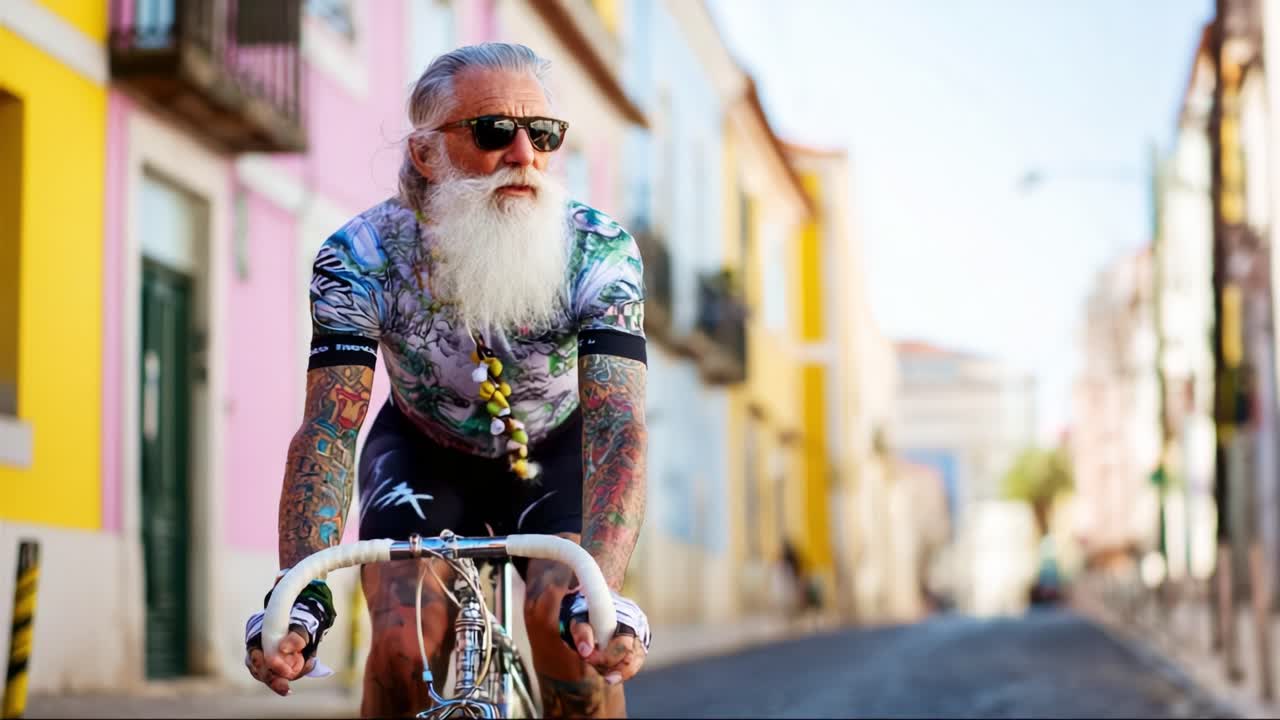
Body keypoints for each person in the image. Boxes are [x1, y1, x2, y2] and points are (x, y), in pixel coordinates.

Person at [242, 43, 651, 718]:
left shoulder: (599, 251)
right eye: (494, 131)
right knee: (404, 646)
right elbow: (329, 430)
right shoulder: (360, 257)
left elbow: (617, 426)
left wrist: (600, 594)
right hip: (422, 449)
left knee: (574, 634)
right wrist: (301, 599)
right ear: (428, 153)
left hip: (555, 449)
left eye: (543, 134)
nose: (524, 154)